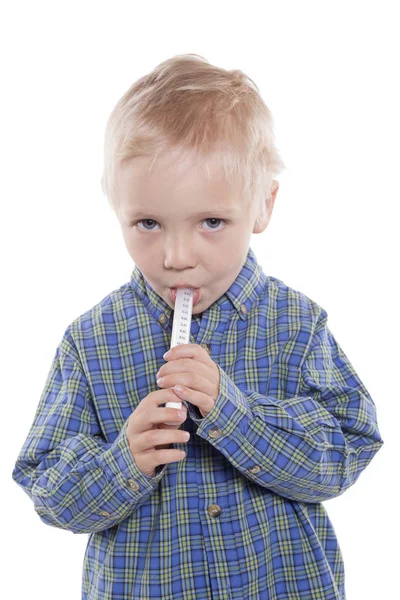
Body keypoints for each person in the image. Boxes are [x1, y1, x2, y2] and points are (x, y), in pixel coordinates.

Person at [12, 53, 384, 600]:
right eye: (147, 223)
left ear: (263, 206)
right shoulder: (91, 341)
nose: (177, 256)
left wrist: (234, 413)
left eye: (212, 222)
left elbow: (347, 450)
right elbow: (46, 488)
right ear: (115, 208)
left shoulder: (296, 324)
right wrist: (124, 461)